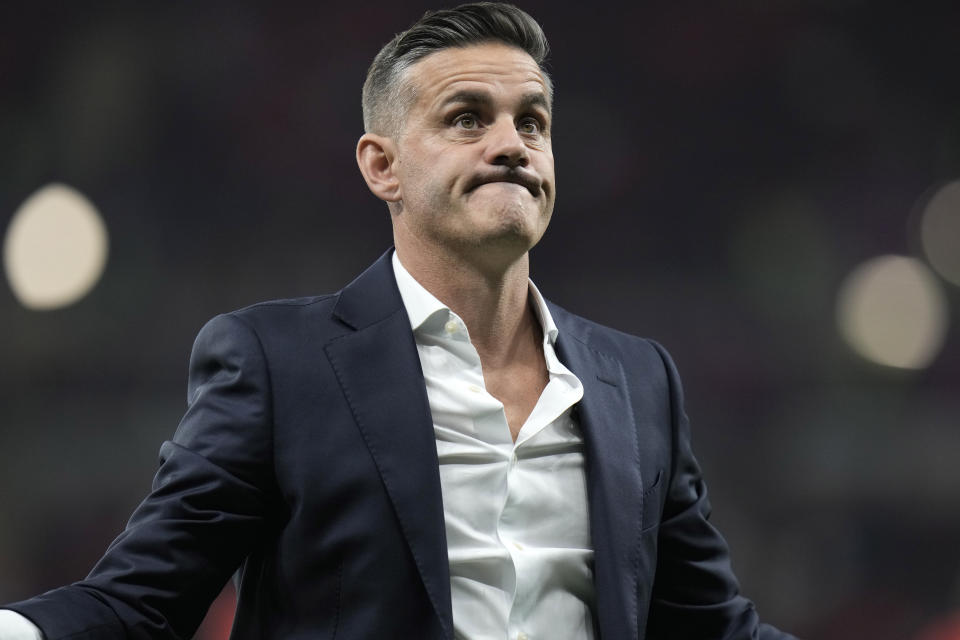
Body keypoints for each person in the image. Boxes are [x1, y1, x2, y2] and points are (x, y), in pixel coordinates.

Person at [1, 3, 799, 639]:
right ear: (382, 166)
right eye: (466, 118)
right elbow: (142, 603)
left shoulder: (640, 380)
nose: (512, 145)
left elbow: (713, 629)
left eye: (533, 122)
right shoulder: (278, 365)